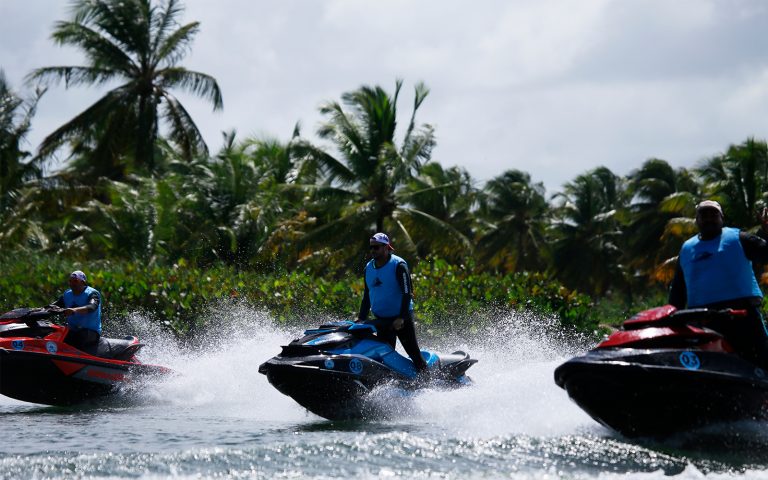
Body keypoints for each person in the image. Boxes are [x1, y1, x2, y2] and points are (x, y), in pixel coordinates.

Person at [668, 200, 768, 367]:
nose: (708, 219)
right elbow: (678, 291)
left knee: (761, 361)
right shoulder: (686, 249)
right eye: (703, 215)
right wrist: (671, 316)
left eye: (713, 215)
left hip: (742, 316)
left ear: (721, 218)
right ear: (697, 220)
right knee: (708, 365)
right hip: (703, 320)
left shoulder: (739, 238)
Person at [357, 232, 428, 372]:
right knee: (386, 357)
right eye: (371, 247)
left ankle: (430, 382)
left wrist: (401, 317)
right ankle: (395, 385)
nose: (373, 251)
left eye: (376, 247)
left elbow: (407, 293)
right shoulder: (368, 268)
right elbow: (367, 295)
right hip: (382, 320)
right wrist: (361, 318)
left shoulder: (398, 265)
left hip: (401, 318)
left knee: (413, 354)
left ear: (386, 247)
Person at [50, 270, 102, 354]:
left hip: (91, 332)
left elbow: (92, 307)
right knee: (57, 333)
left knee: (80, 336)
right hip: (73, 330)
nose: (72, 284)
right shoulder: (67, 294)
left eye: (75, 281)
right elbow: (54, 306)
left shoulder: (92, 293)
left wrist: (74, 310)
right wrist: (38, 310)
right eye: (70, 281)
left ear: (83, 282)